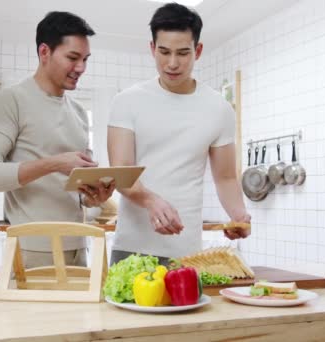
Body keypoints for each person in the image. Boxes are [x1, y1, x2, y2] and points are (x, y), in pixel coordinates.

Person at [107, 3, 251, 265]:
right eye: (164, 52)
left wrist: (238, 214)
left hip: (186, 250)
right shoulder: (126, 101)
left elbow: (226, 177)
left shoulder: (218, 108)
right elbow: (121, 171)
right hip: (132, 247)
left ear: (198, 50)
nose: (172, 63)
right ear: (152, 49)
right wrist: (151, 201)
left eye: (183, 53)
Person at [0, 11, 115, 269]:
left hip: (77, 249)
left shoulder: (80, 112)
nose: (81, 68)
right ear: (44, 52)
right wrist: (54, 163)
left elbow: (73, 189)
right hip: (31, 252)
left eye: (85, 59)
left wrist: (93, 197)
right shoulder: (11, 101)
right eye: (72, 58)